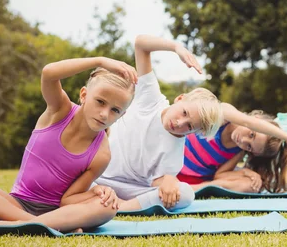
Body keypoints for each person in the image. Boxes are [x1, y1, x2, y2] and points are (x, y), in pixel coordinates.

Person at [0, 57, 136, 232]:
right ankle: (37, 225)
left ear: (122, 115)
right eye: (100, 102)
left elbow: (68, 200)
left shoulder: (102, 154)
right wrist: (98, 61)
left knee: (108, 207)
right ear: (84, 95)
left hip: (58, 213)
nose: (104, 114)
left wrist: (97, 191)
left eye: (115, 110)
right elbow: (49, 73)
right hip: (16, 204)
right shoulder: (60, 110)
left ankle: (24, 224)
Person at [95, 35, 224, 211]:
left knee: (186, 194)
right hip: (98, 176)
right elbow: (140, 44)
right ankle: (107, 202)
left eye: (189, 126)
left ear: (194, 132)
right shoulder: (151, 99)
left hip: (131, 189)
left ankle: (122, 208)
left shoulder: (175, 154)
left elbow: (156, 182)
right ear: (180, 99)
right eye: (184, 112)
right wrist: (177, 47)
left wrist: (169, 180)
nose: (180, 123)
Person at [177, 107, 287, 193]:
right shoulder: (226, 117)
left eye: (249, 146)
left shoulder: (238, 151)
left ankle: (199, 189)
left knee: (252, 186)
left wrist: (246, 172)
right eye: (252, 134)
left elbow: (219, 175)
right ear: (256, 119)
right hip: (170, 161)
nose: (243, 141)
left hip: (191, 179)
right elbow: (245, 120)